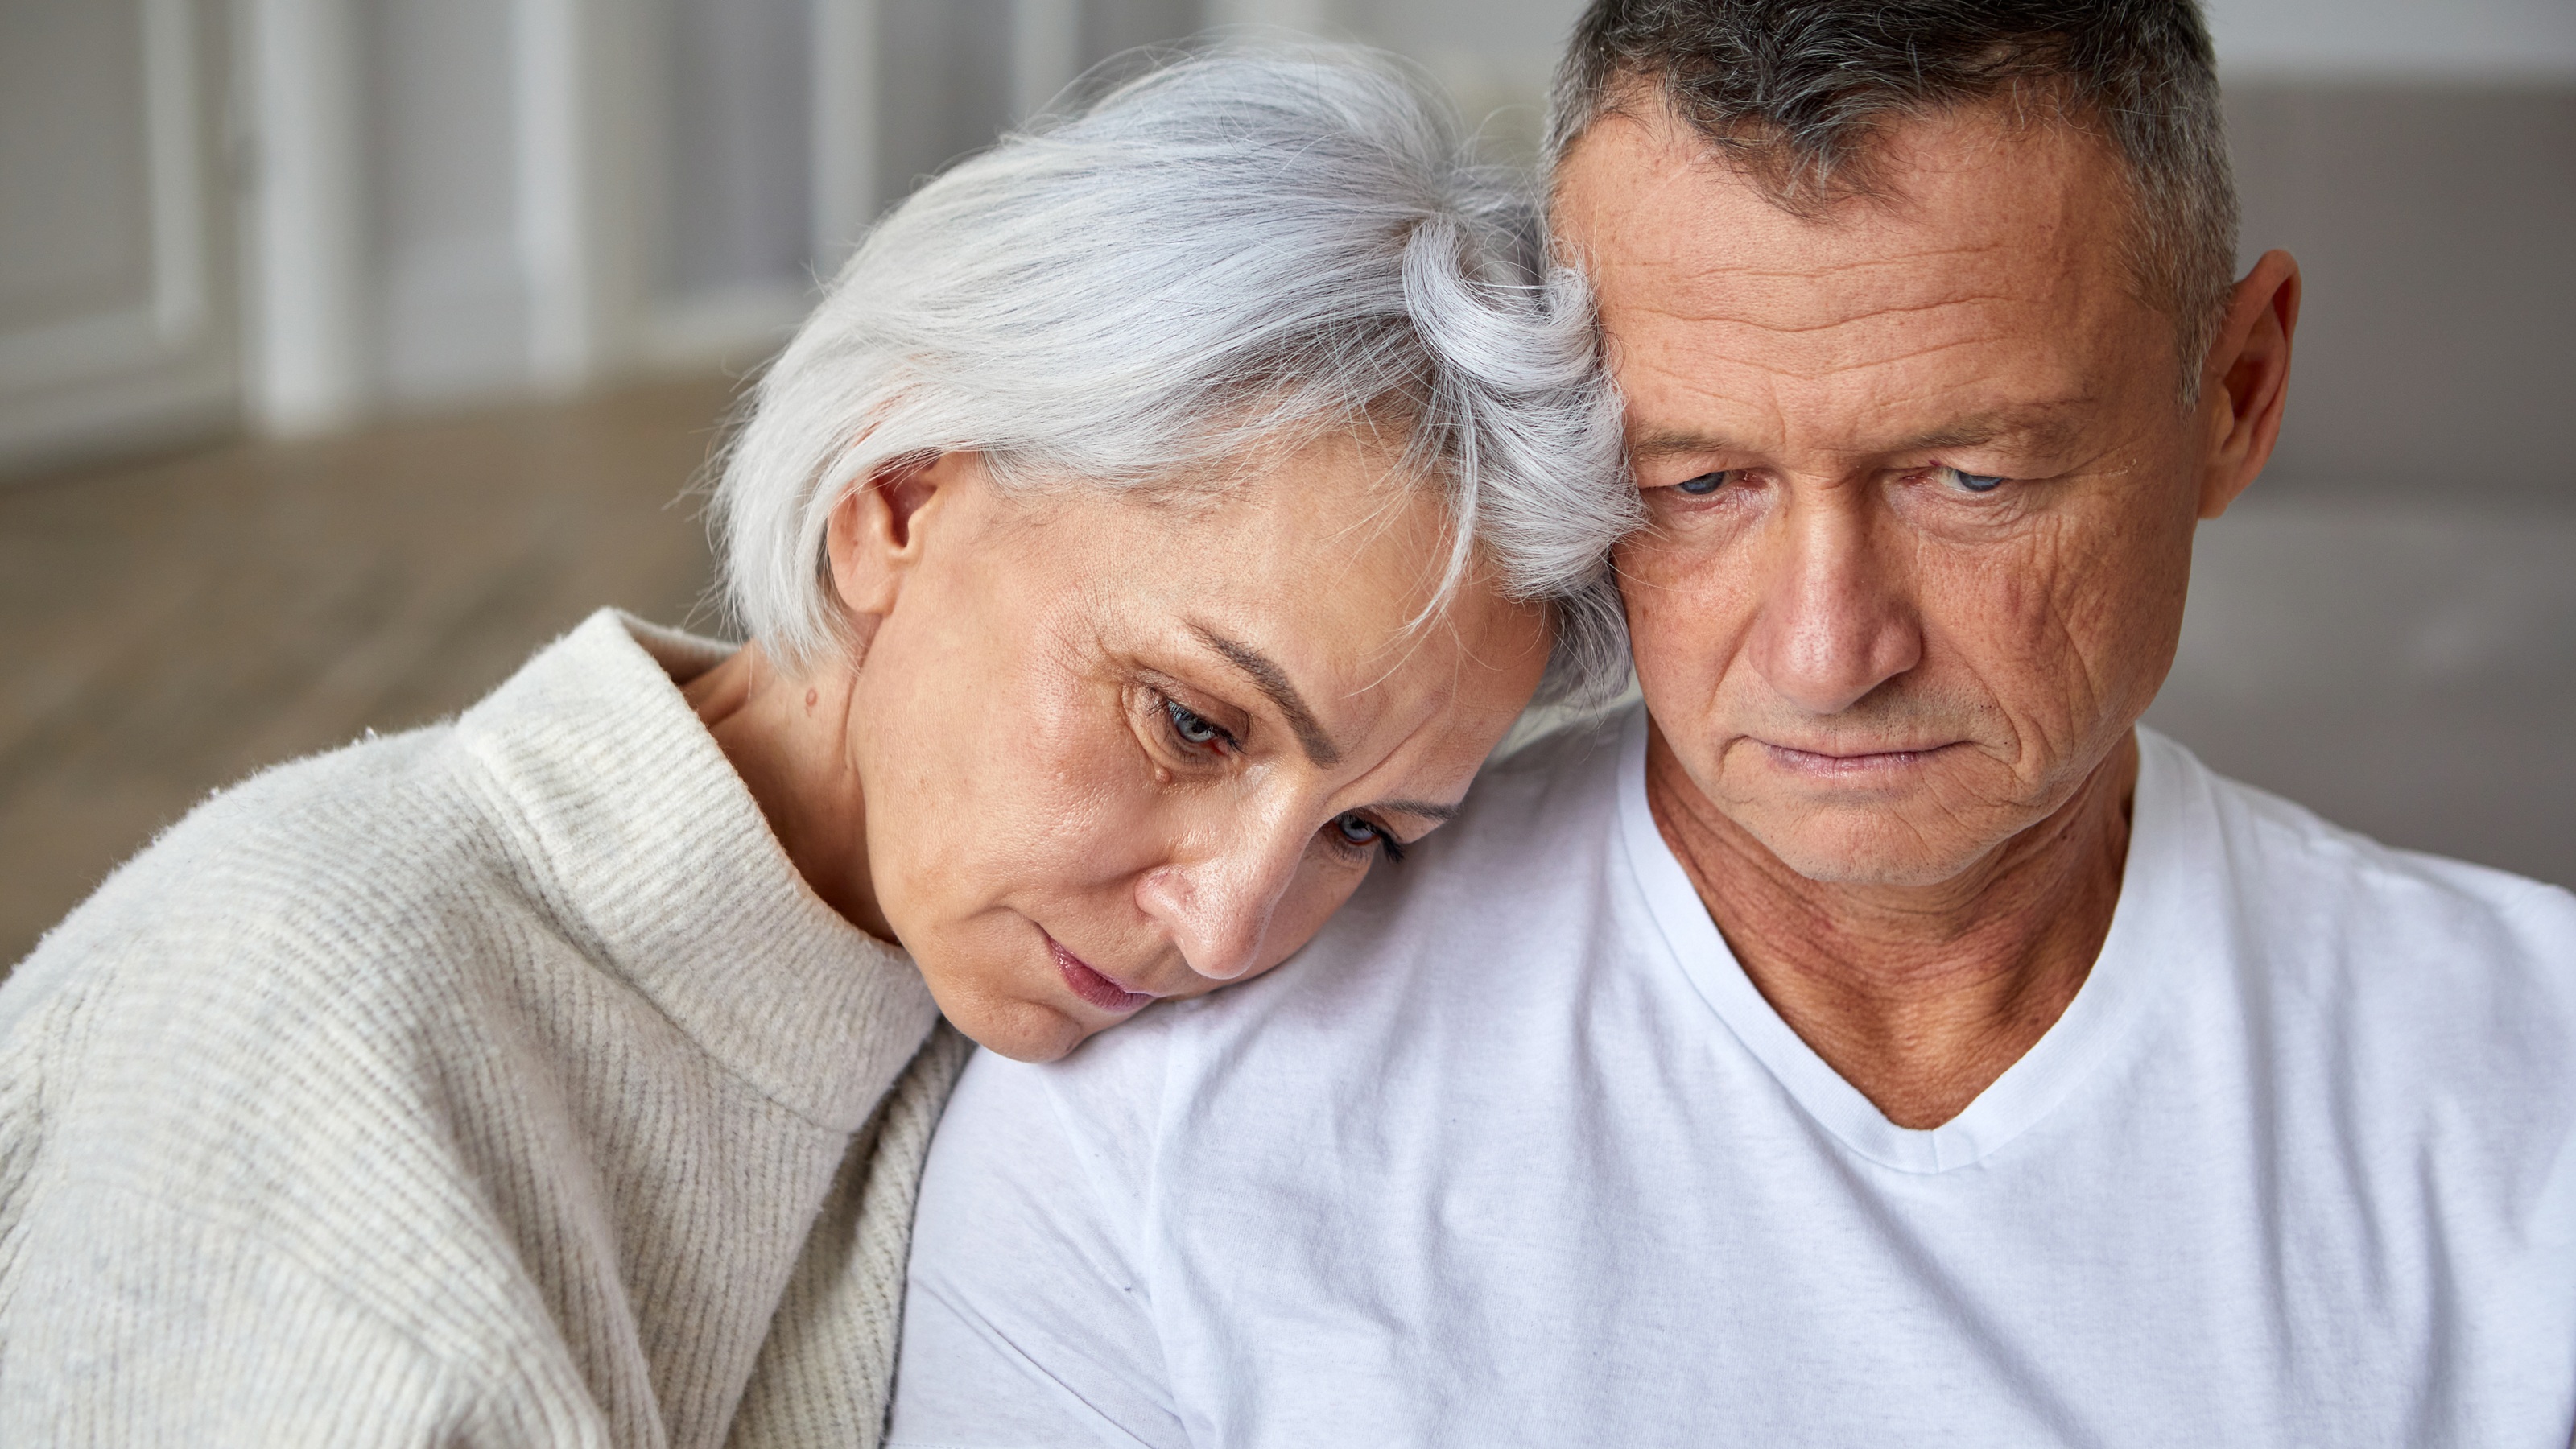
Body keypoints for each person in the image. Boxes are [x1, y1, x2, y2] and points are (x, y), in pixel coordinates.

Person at [890, 3, 2576, 1445]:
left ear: (2235, 395)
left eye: (1970, 477)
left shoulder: (2529, 1095)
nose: (1829, 649)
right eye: (1694, 484)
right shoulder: (1150, 1117)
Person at [0, 50, 1635, 1446]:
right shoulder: (318, 1003)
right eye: (1189, 720)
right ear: (897, 498)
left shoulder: (1018, 1031)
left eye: (1369, 832)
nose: (1226, 925)